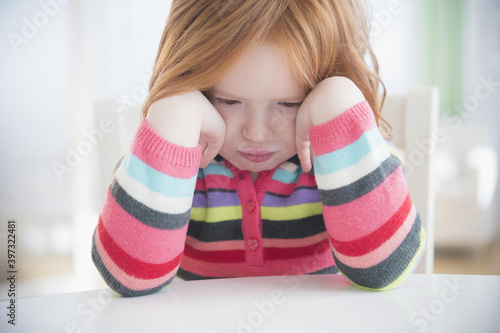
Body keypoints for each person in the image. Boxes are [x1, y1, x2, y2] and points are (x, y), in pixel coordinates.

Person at [91, 0, 425, 297]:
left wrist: (338, 100)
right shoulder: (172, 163)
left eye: (287, 103)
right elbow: (128, 279)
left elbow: (385, 270)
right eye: (230, 100)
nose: (257, 132)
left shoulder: (350, 156)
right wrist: (173, 113)